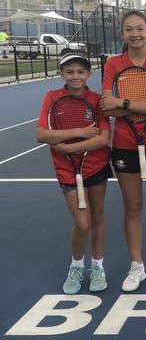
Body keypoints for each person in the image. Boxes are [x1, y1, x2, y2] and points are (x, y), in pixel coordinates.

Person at [99, 10, 146, 293]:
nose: (135, 34)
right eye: (129, 29)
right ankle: (137, 266)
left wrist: (126, 102)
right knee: (132, 207)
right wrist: (143, 102)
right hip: (124, 144)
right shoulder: (113, 64)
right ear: (122, 34)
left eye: (140, 29)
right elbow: (107, 105)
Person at [36, 53, 112, 294]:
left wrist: (69, 147)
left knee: (97, 218)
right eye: (70, 72)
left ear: (88, 74)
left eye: (80, 71)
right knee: (82, 223)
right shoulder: (52, 98)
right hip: (67, 170)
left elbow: (103, 138)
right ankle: (76, 265)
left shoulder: (97, 100)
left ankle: (97, 266)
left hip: (96, 166)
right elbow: (42, 135)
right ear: (62, 74)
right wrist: (79, 132)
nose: (75, 76)